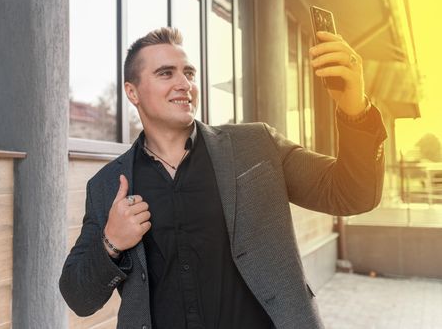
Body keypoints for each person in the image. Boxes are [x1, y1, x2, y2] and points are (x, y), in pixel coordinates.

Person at [59, 27, 387, 329]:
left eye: (188, 73)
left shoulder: (256, 146)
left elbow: (351, 193)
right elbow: (79, 297)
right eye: (165, 73)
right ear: (132, 92)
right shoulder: (107, 186)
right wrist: (111, 243)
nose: (184, 84)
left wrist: (354, 107)